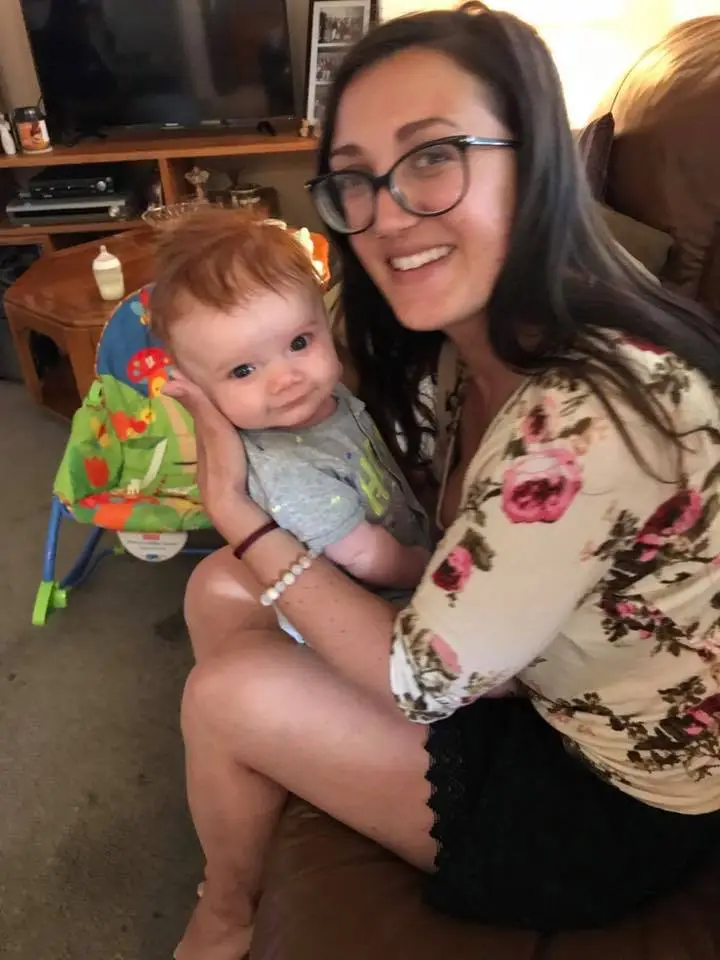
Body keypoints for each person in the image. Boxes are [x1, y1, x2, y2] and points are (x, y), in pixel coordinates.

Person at [167, 5, 720, 959]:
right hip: (527, 679)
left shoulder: (589, 415)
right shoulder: (475, 336)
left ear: (535, 157)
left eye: (434, 156)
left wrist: (234, 507)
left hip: (607, 800)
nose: (387, 212)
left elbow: (417, 679)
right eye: (356, 180)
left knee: (227, 692)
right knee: (213, 586)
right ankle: (276, 786)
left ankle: (223, 913)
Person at [150, 210, 432, 638]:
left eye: (299, 343)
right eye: (243, 370)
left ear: (324, 319)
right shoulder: (288, 472)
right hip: (369, 613)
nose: (286, 379)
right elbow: (368, 559)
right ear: (198, 387)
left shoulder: (325, 396)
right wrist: (430, 567)